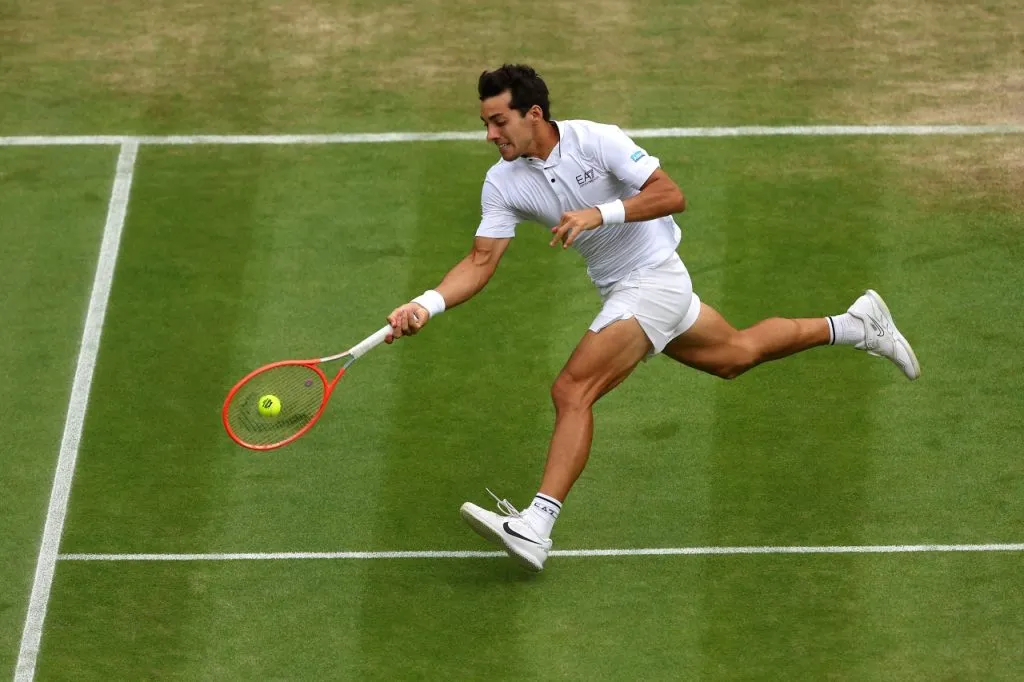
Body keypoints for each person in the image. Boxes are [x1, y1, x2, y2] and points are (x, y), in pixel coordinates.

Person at [385, 64, 920, 572]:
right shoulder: (502, 183)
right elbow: (481, 261)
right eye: (485, 124)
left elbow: (671, 194)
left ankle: (536, 525)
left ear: (534, 114)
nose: (489, 135)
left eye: (498, 121)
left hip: (655, 279)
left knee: (573, 390)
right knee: (736, 355)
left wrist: (601, 212)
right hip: (625, 287)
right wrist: (425, 304)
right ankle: (856, 324)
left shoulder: (597, 139)